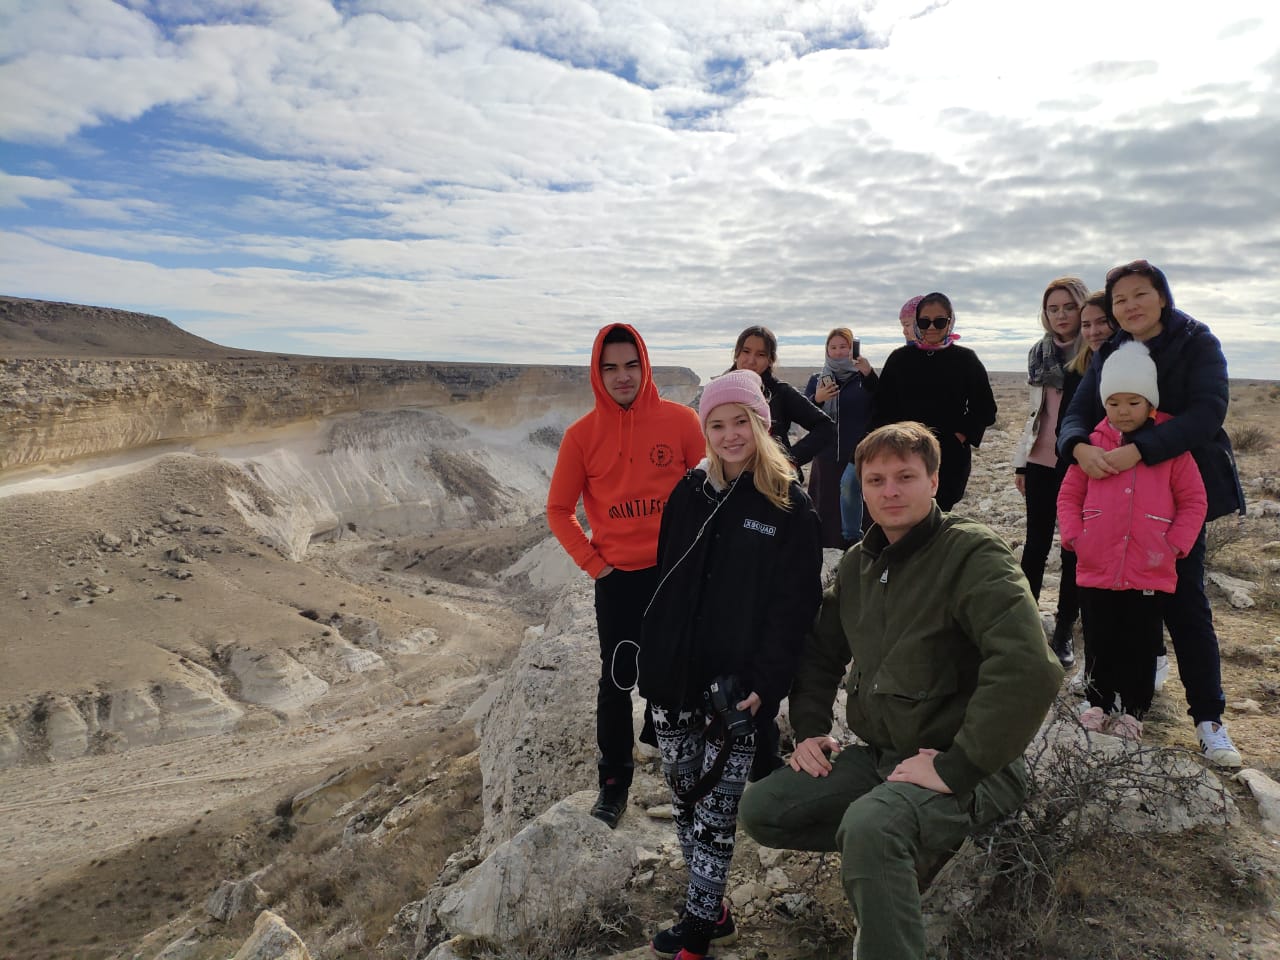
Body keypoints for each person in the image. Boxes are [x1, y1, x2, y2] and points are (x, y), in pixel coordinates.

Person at [739, 421, 1062, 959]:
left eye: (905, 477)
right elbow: (820, 653)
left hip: (973, 767)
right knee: (764, 809)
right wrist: (812, 729)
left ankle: (890, 859)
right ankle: (898, 854)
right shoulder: (859, 565)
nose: (890, 491)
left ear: (933, 481)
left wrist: (958, 767)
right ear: (862, 489)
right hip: (886, 758)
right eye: (876, 480)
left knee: (870, 828)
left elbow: (1029, 667)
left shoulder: (972, 554)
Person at [638, 369, 822, 960]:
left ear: (762, 424)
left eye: (741, 421)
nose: (730, 434)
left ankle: (697, 930)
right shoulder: (689, 494)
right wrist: (653, 666)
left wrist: (767, 684)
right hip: (675, 682)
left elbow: (795, 609)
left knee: (717, 814)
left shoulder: (789, 505)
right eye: (716, 424)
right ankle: (712, 909)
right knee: (684, 798)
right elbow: (667, 583)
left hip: (736, 693)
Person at [1057, 259, 1246, 768]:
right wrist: (1077, 447)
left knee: (1186, 605)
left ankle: (1208, 719)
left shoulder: (1197, 342)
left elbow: (1208, 412)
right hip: (1113, 506)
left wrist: (1140, 451)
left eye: (1139, 294)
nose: (1129, 306)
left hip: (1173, 500)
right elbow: (1078, 411)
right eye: (1120, 299)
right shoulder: (1111, 349)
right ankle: (1114, 691)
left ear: (1162, 296)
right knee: (1111, 606)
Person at [546, 323, 706, 827]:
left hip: (674, 575)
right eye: (610, 367)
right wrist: (597, 565)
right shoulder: (581, 436)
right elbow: (558, 510)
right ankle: (614, 783)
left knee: (684, 672)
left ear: (645, 366)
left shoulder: (681, 421)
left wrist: (699, 557)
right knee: (617, 681)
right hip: (619, 580)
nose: (622, 376)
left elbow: (711, 489)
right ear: (597, 372)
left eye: (631, 365)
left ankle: (691, 772)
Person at [1058, 341, 1207, 740]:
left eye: (1133, 402)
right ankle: (1098, 703)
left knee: (1141, 643)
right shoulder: (1091, 446)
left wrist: (1175, 544)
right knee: (1099, 637)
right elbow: (1069, 495)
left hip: (1150, 567)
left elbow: (1194, 500)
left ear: (1151, 404)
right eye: (1114, 403)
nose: (1123, 411)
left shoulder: (1170, 449)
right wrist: (1075, 536)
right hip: (1096, 565)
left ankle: (1133, 711)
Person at [1013, 277, 1086, 668]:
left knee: (1073, 547)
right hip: (1040, 460)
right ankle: (1024, 624)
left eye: (1069, 307)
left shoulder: (1096, 352)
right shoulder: (1038, 354)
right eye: (1053, 308)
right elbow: (1034, 413)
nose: (1061, 315)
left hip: (1078, 463)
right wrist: (1021, 462)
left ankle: (1064, 629)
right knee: (1035, 545)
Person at [870, 293, 997, 510]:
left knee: (939, 514)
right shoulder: (899, 359)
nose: (931, 327)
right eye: (924, 321)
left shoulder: (966, 359)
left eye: (939, 321)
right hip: (902, 454)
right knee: (904, 512)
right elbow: (882, 407)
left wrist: (960, 435)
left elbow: (985, 408)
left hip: (948, 457)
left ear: (950, 322)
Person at [804, 327, 877, 547]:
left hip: (857, 453)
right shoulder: (818, 379)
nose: (838, 352)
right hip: (827, 454)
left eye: (843, 346)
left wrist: (870, 374)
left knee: (857, 500)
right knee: (827, 504)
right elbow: (805, 416)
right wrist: (817, 399)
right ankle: (829, 547)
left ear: (852, 349)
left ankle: (858, 546)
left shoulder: (863, 377)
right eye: (833, 347)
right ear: (827, 350)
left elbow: (881, 404)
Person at [730, 325, 834, 476]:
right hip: (729, 480)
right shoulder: (719, 391)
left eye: (760, 354)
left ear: (770, 360)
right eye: (746, 351)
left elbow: (826, 427)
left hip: (773, 480)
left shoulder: (780, 392)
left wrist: (789, 460)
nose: (751, 360)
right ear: (737, 353)